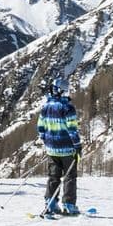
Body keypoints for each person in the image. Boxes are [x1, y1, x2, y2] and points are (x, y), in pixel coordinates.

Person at [37, 77, 82, 215]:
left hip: (52, 149)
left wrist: (47, 141)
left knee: (53, 176)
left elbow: (40, 128)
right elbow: (72, 130)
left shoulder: (46, 106)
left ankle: (51, 203)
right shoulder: (68, 108)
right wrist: (77, 146)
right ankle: (69, 205)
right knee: (69, 176)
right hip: (67, 149)